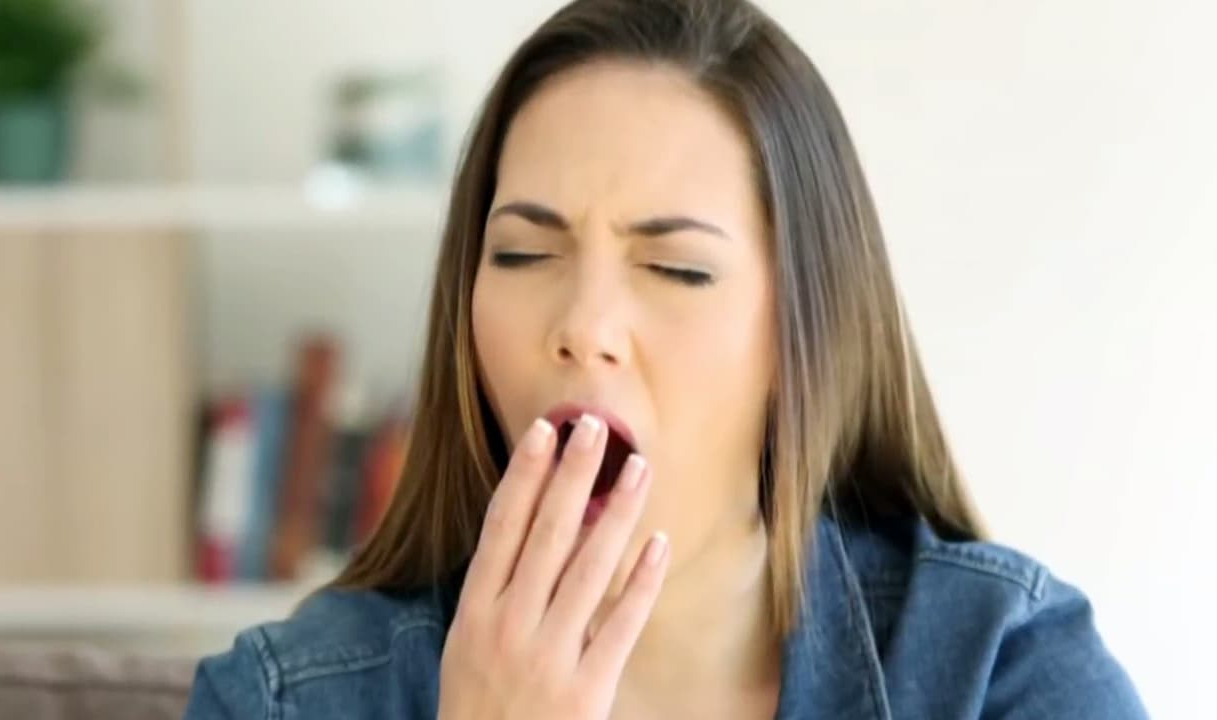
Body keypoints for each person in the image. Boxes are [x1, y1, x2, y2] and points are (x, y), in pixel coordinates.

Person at [185, 0, 1147, 717]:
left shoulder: (1006, 672)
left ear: (804, 335)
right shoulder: (287, 698)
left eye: (678, 268)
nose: (584, 325)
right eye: (522, 254)